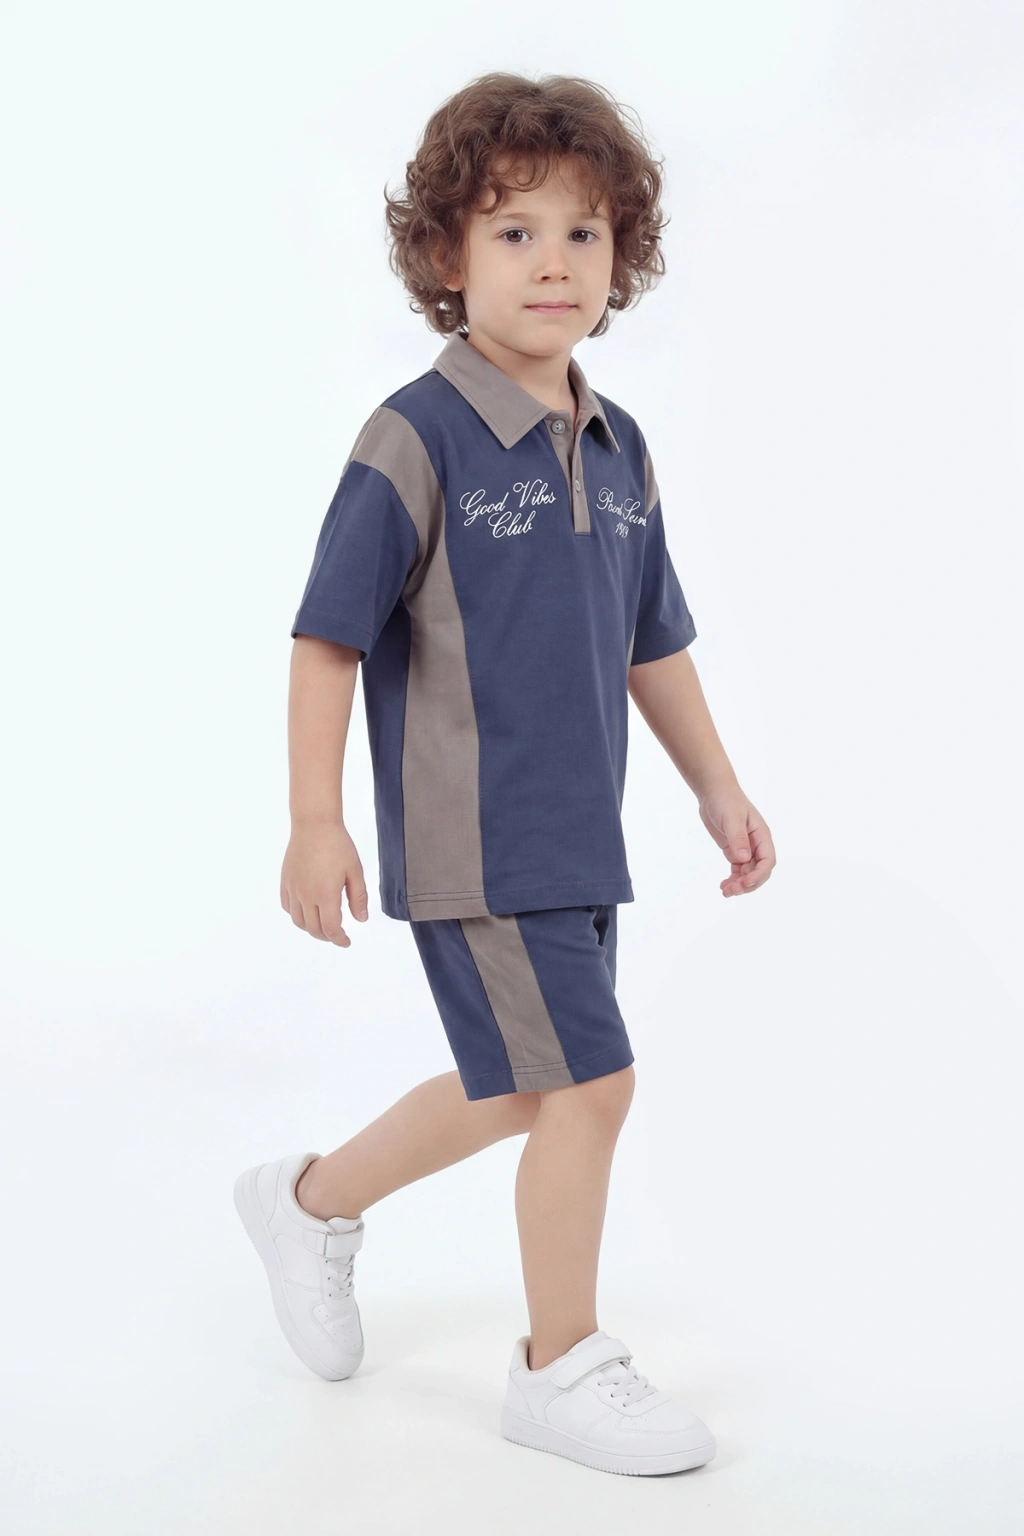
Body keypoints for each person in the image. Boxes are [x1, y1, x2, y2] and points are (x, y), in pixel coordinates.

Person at [233, 71, 775, 1478]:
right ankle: (558, 1366)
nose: (553, 264)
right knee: (593, 1085)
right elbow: (326, 637)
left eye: (584, 234)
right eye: (514, 232)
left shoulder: (619, 442)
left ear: (621, 257)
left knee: (523, 1089)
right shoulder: (414, 437)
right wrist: (313, 819)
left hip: (582, 833)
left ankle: (308, 1203)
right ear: (445, 255)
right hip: (475, 835)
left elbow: (655, 641)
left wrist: (717, 787)